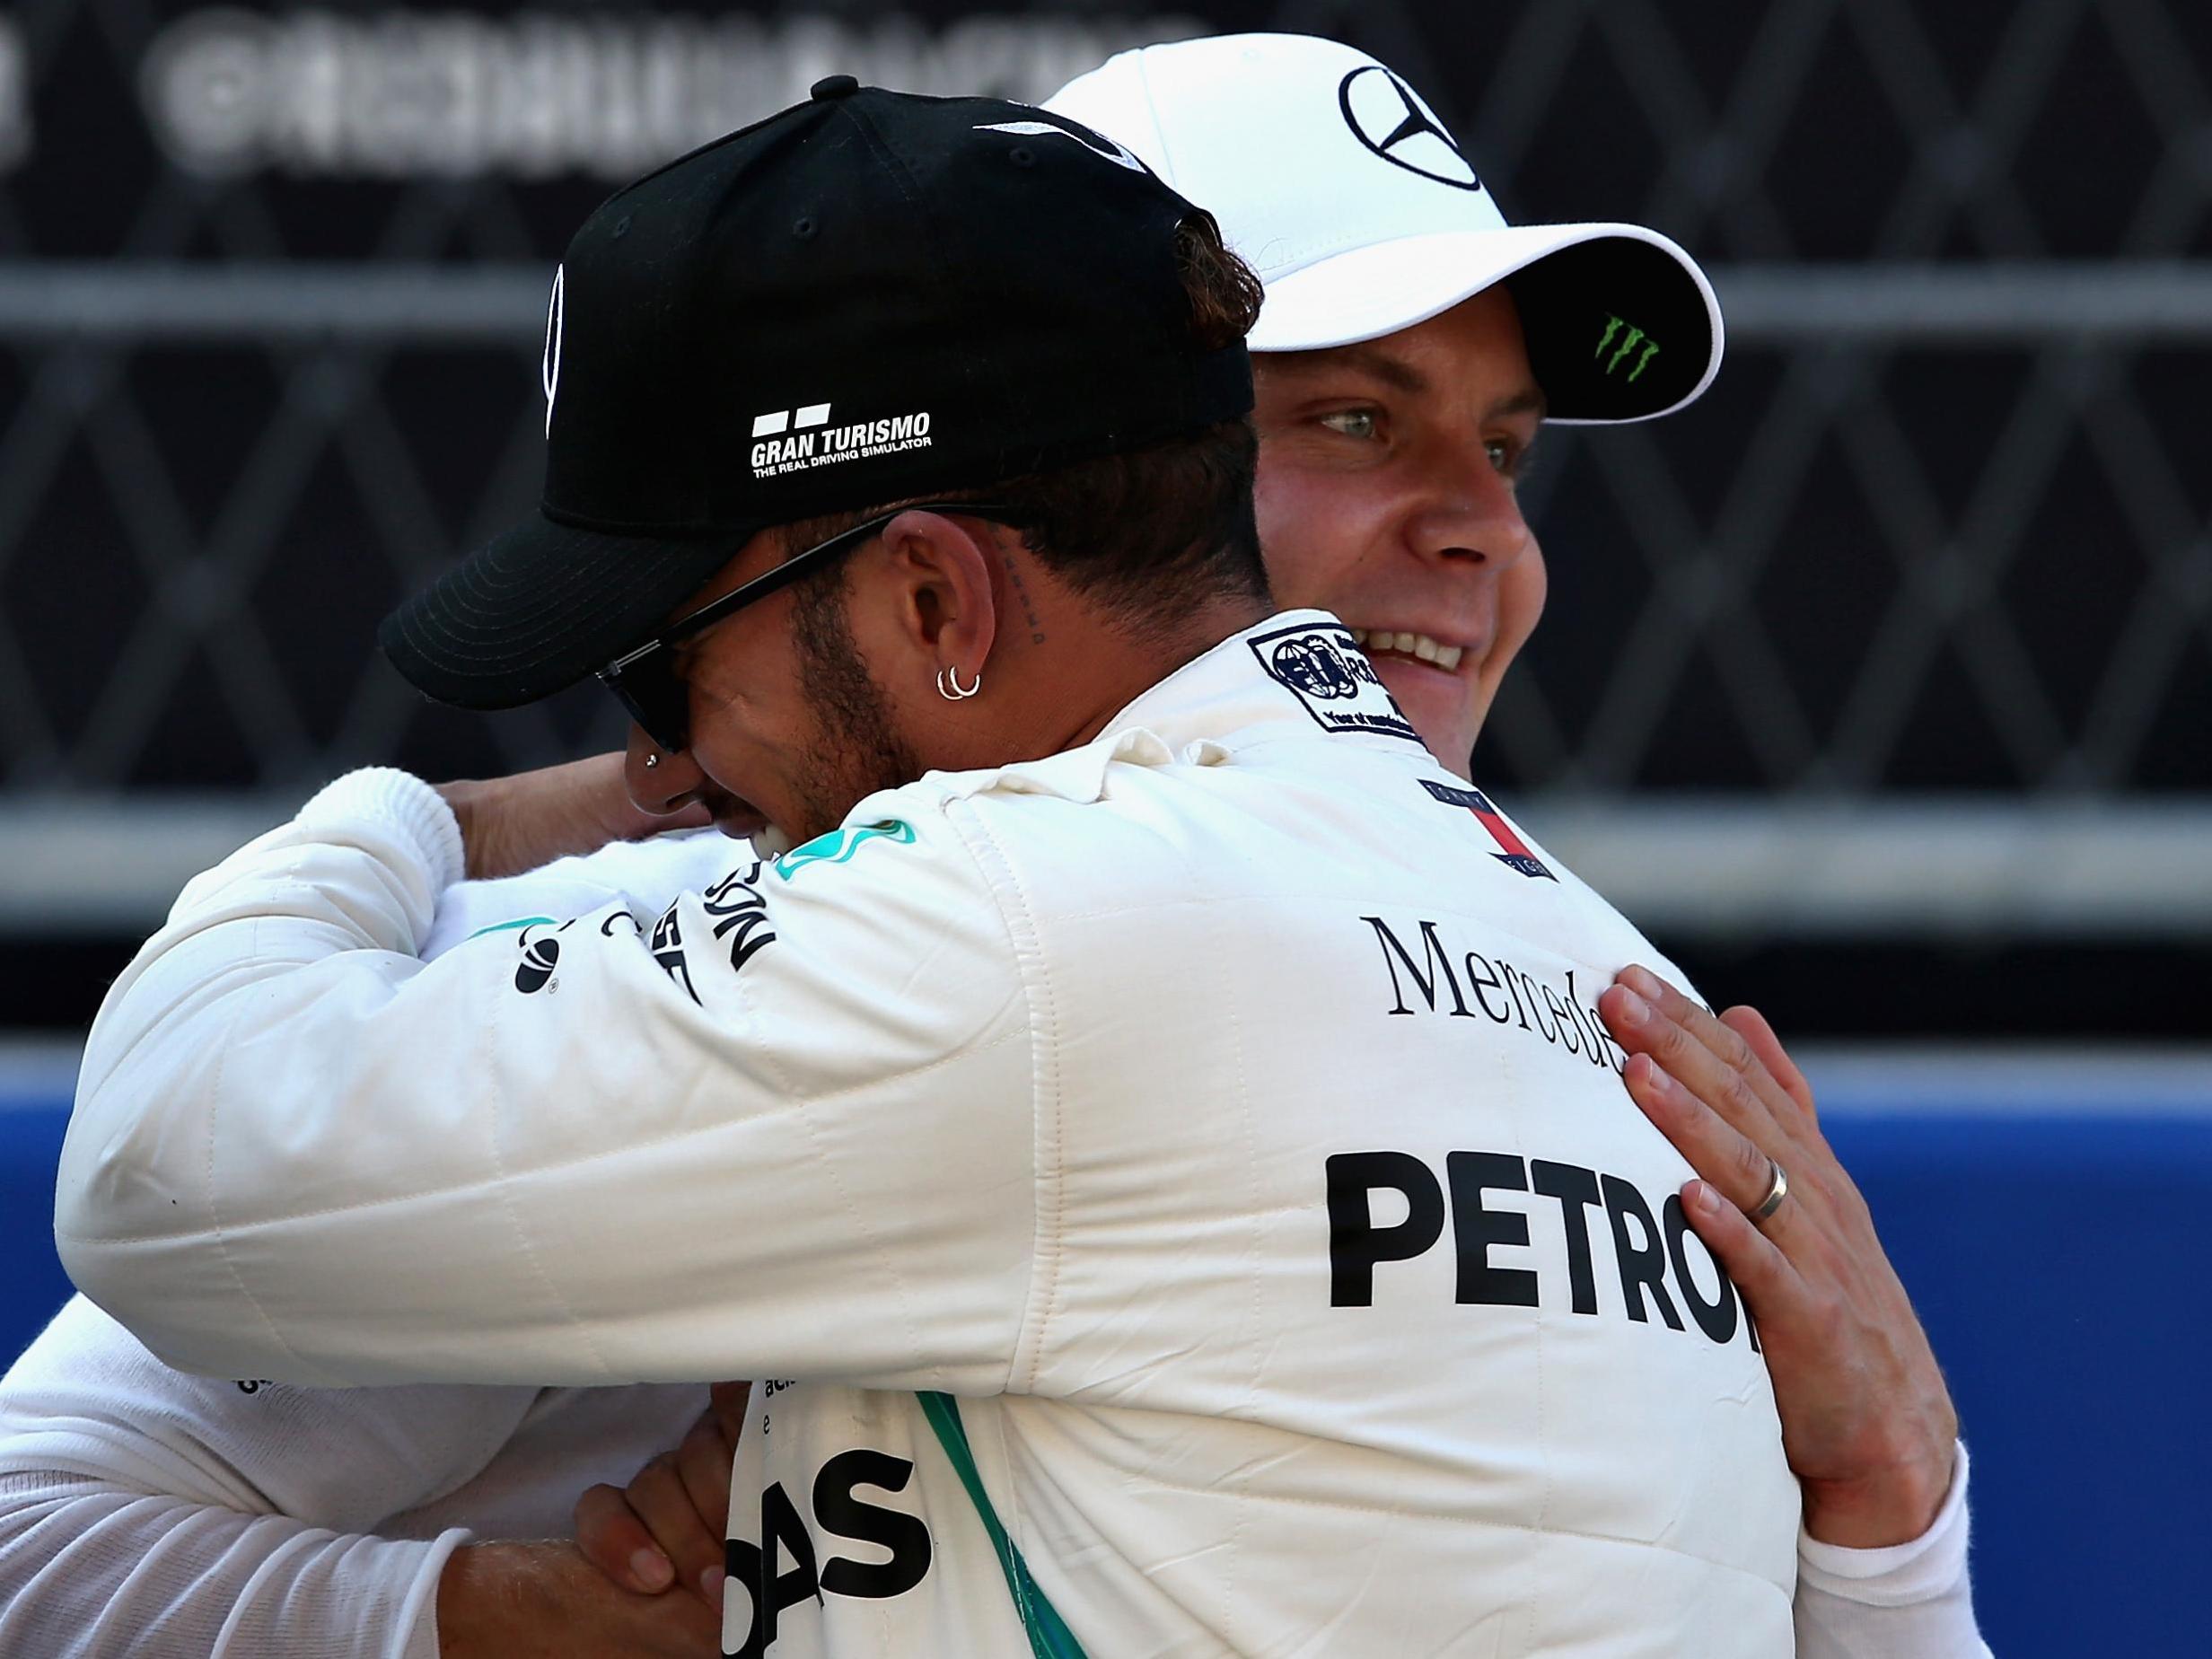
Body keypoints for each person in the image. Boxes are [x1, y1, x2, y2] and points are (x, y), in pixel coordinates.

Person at [5, 40, 1978, 1659]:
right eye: (1351, 422)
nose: (1482, 533)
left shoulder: (1566, 1026)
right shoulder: (1589, 1000)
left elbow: (173, 1158)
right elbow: (30, 1533)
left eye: (1505, 445)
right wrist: (491, 1621)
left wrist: (1891, 1536)